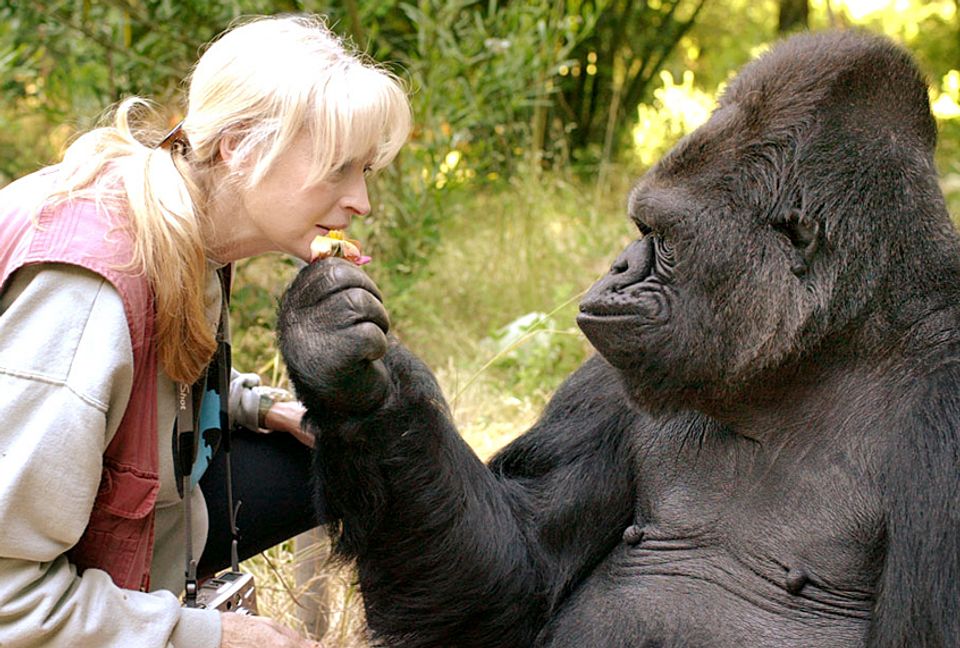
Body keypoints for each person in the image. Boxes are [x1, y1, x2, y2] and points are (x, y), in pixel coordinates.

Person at [0, 13, 411, 648]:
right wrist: (212, 636)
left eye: (366, 172)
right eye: (338, 168)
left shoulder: (184, 224)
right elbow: (8, 598)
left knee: (341, 456)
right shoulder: (88, 295)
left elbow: (144, 389)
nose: (361, 201)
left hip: (123, 531)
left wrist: (258, 404)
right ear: (239, 145)